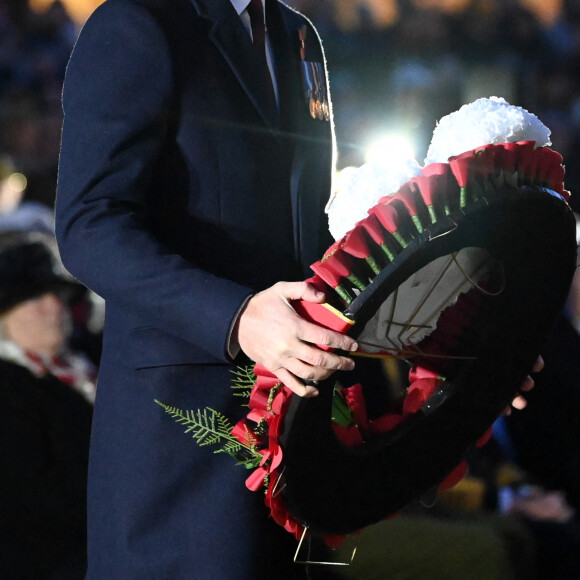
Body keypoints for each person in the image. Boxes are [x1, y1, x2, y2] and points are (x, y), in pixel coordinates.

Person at [55, 0, 357, 578]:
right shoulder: (138, 23)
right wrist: (237, 317)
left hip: (297, 441)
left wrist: (440, 346)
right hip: (180, 451)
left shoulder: (298, 36)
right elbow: (89, 225)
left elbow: (314, 241)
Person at [0, 231, 94, 578]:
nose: (55, 306)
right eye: (35, 299)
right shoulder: (9, 386)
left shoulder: (87, 363)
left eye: (56, 294)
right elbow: (29, 495)